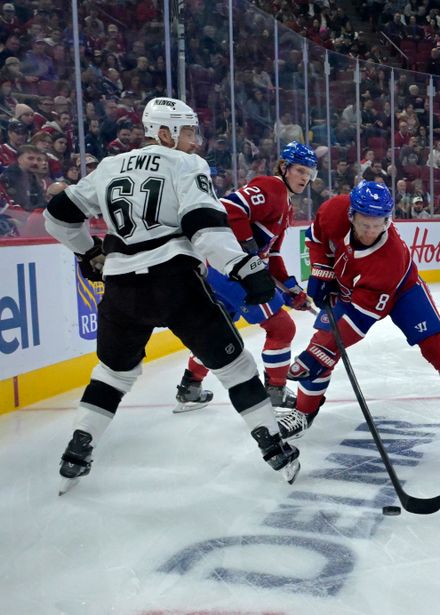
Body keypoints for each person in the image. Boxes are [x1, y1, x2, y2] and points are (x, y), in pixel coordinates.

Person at [43, 97, 300, 493]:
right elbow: (204, 227)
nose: (195, 141)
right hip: (175, 283)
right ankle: (274, 447)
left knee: (113, 373)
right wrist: (243, 266)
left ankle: (78, 447)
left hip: (121, 289)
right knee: (236, 369)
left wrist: (87, 251)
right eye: (189, 131)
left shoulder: (109, 167)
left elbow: (57, 216)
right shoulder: (185, 164)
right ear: (164, 132)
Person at [277, 181, 440, 441]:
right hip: (351, 289)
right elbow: (315, 238)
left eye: (377, 224)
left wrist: (321, 351)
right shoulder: (334, 209)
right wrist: (321, 269)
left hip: (403, 291)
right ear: (351, 216)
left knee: (439, 347)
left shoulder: (390, 257)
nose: (370, 232)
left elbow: (361, 316)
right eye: (364, 224)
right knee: (322, 343)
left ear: (387, 221)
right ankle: (303, 413)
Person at [174, 142, 318, 413]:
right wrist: (247, 244)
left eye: (309, 174)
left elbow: (271, 254)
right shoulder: (272, 187)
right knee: (282, 328)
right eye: (300, 170)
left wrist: (292, 289)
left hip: (227, 271)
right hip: (234, 273)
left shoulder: (286, 206)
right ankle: (275, 391)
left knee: (220, 331)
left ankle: (190, 386)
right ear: (284, 167)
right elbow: (229, 207)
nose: (304, 178)